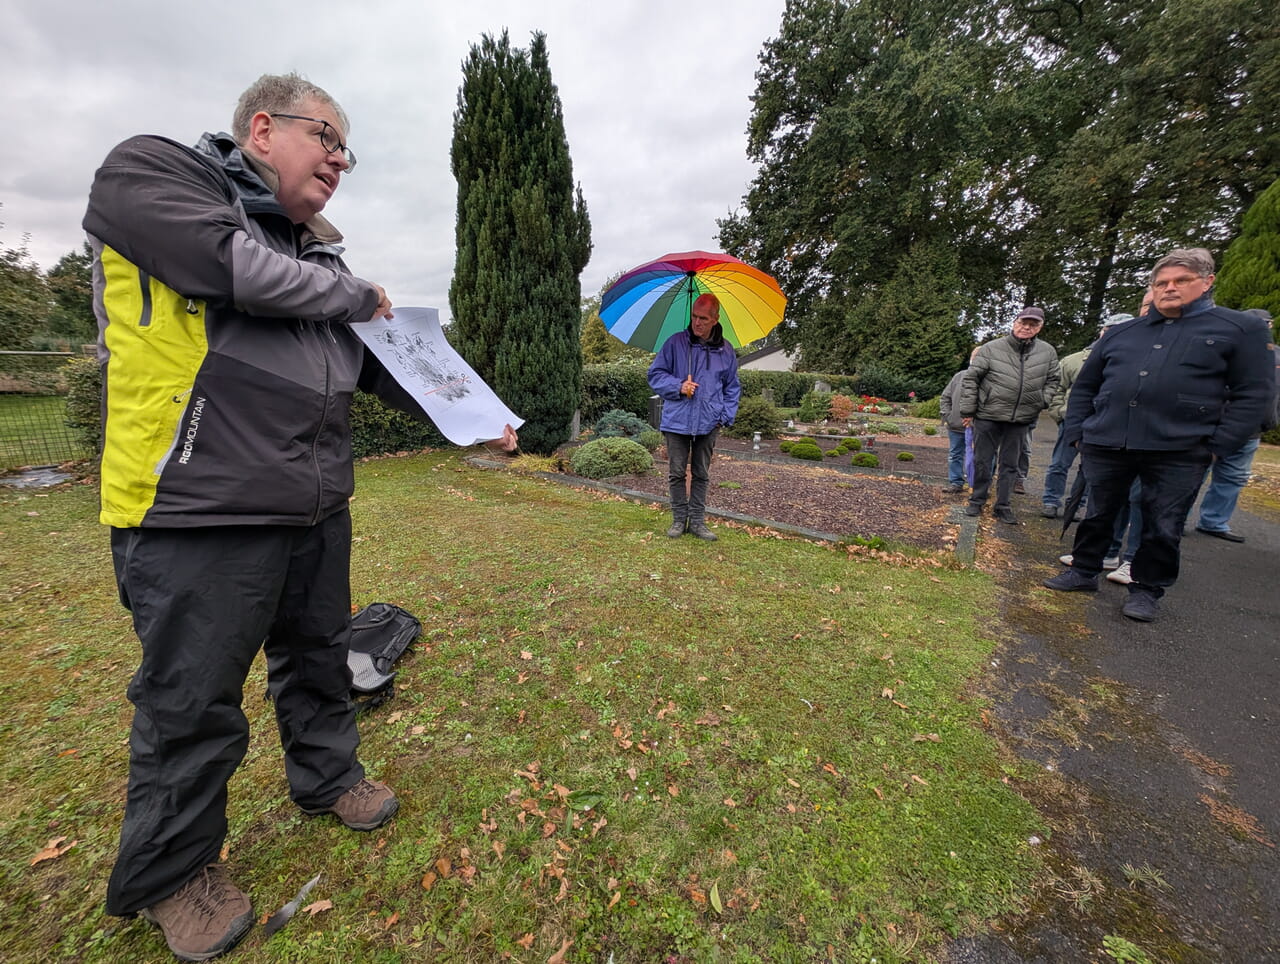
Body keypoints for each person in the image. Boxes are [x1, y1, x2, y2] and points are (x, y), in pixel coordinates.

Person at [84, 73, 516, 961]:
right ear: (261, 127)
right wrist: (357, 295)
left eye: (346, 151)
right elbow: (225, 267)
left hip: (314, 504)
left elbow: (385, 364)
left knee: (319, 657)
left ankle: (327, 778)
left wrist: (476, 416)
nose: (339, 161)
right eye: (326, 137)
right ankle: (172, 874)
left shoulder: (322, 263)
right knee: (191, 699)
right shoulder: (152, 174)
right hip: (196, 508)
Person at [1043, 248, 1274, 622]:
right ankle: (1084, 570)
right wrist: (1077, 433)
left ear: (1207, 282)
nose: (1169, 288)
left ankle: (1146, 589)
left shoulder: (1238, 330)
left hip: (1181, 446)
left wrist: (1218, 446)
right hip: (1109, 440)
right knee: (1098, 512)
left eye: (1181, 280)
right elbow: (1086, 386)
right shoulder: (1123, 332)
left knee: (1163, 522)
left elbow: (1254, 394)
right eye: (1161, 282)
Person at [648, 293, 741, 541]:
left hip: (709, 422)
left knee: (701, 473)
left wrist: (724, 416)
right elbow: (655, 374)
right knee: (676, 472)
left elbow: (732, 387)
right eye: (694, 317)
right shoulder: (675, 343)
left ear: (715, 319)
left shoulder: (725, 350)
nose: (697, 323)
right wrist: (678, 386)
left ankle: (697, 522)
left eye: (703, 318)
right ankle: (679, 520)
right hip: (677, 420)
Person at [959, 306, 1060, 524]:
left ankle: (1003, 505)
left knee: (1011, 464)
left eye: (1033, 324)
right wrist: (968, 410)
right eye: (1023, 322)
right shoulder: (992, 348)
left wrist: (1042, 401)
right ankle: (977, 501)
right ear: (1015, 323)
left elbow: (1054, 380)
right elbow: (972, 378)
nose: (1027, 327)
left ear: (1040, 327)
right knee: (982, 461)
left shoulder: (1047, 352)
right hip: (988, 414)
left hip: (1021, 418)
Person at [1192, 307, 1279, 542]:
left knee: (1233, 477)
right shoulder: (1225, 349)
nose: (1263, 328)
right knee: (1194, 472)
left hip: (1252, 429)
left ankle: (1214, 521)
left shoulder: (1276, 355)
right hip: (1215, 424)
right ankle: (1175, 520)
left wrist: (1270, 420)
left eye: (1266, 324)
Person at [1041, 312, 1134, 518]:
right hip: (1073, 421)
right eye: (1109, 330)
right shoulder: (1074, 361)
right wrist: (1060, 414)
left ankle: (1076, 505)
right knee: (1059, 464)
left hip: (1105, 424)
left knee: (1090, 469)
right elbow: (1057, 388)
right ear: (1102, 332)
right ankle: (1050, 501)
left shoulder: (1133, 363)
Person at [938, 349, 979, 492]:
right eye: (974, 356)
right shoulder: (959, 376)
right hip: (956, 425)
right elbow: (945, 397)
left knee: (983, 457)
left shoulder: (990, 379)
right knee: (955, 455)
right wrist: (948, 416)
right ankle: (955, 483)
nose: (976, 359)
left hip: (980, 428)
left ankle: (979, 486)